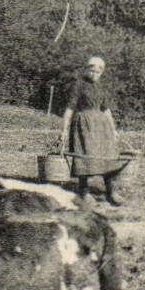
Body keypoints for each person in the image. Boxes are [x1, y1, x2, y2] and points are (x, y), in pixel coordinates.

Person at [58, 55, 123, 206]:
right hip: (83, 124)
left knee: (107, 154)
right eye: (92, 71)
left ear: (102, 72)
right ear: (86, 70)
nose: (94, 74)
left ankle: (111, 191)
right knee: (84, 154)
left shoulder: (102, 87)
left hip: (101, 125)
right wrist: (64, 130)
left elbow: (106, 109)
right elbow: (70, 108)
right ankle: (84, 191)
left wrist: (113, 129)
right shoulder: (78, 85)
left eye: (98, 72)